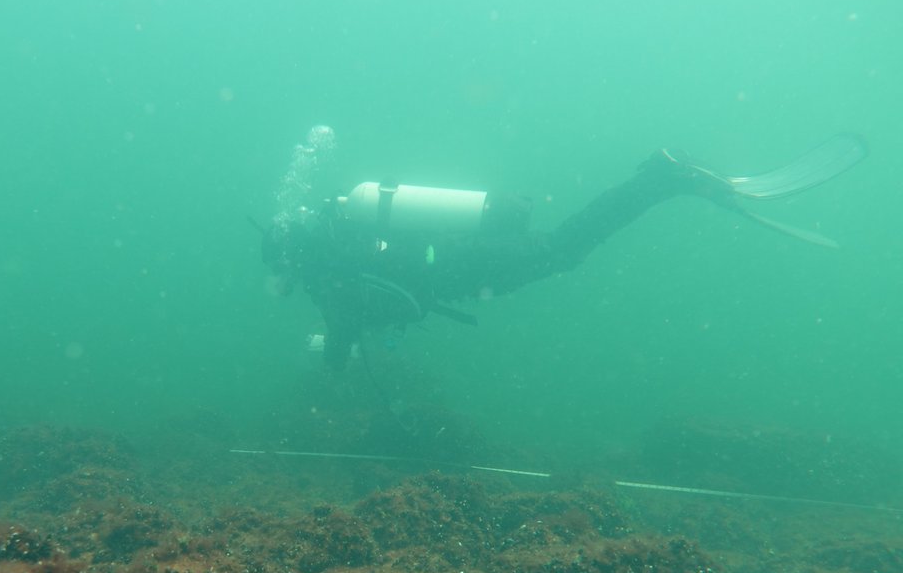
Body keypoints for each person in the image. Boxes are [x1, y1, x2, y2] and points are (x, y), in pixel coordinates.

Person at [262, 129, 867, 369]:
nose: (281, 286)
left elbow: (362, 336)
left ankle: (658, 180)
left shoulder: (331, 278)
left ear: (291, 259)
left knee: (561, 251)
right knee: (557, 248)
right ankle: (659, 181)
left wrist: (329, 349)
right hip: (458, 254)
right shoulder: (340, 248)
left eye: (279, 276)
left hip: (461, 265)